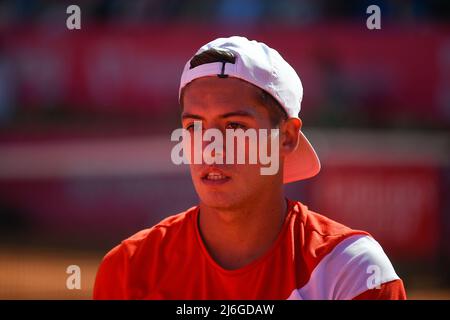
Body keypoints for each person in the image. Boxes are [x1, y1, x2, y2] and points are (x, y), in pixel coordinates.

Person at [93, 36, 406, 300]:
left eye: (233, 126)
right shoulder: (128, 269)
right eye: (194, 126)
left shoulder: (354, 273)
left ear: (286, 137)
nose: (210, 147)